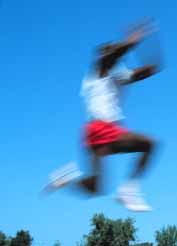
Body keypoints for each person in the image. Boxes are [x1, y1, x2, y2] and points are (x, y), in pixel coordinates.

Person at [44, 23, 161, 212]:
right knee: (149, 143)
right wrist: (132, 41)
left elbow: (141, 73)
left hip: (93, 135)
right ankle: (128, 191)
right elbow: (113, 55)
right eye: (112, 55)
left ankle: (66, 179)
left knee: (95, 188)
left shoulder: (117, 75)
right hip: (101, 128)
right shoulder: (97, 72)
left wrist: (154, 63)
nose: (115, 59)